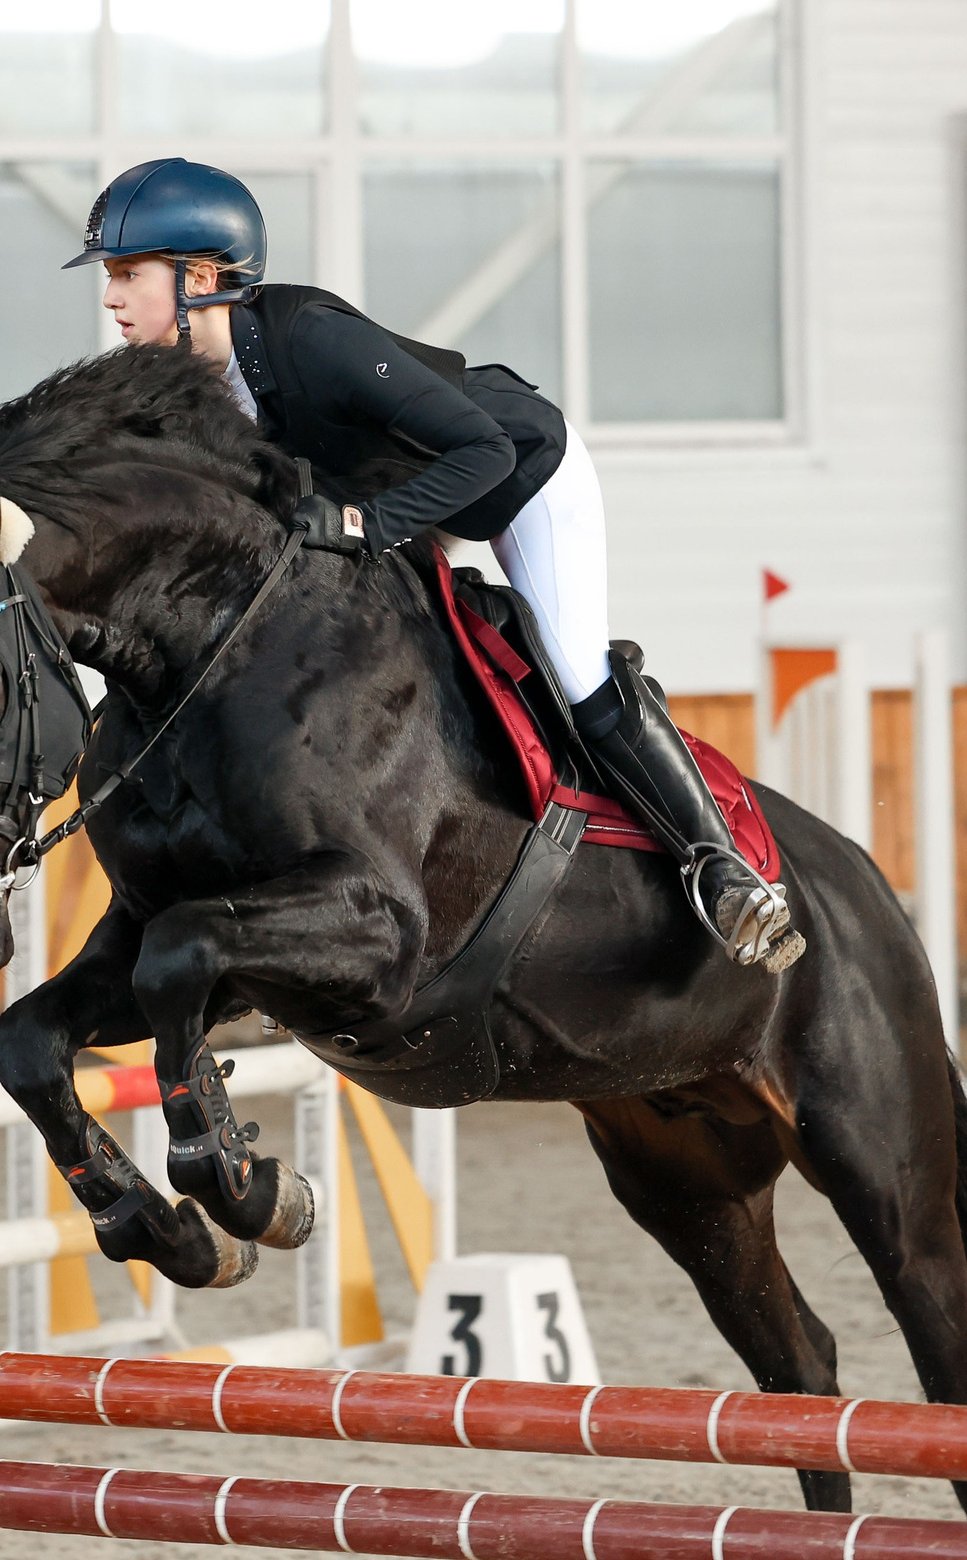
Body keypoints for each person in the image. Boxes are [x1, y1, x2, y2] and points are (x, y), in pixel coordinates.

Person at [64, 157, 800, 974]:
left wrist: (365, 523)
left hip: (515, 477)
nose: (112, 299)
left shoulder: (308, 336)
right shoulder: (181, 381)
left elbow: (481, 451)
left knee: (576, 675)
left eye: (129, 274)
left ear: (199, 275)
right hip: (406, 500)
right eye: (112, 277)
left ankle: (721, 870)